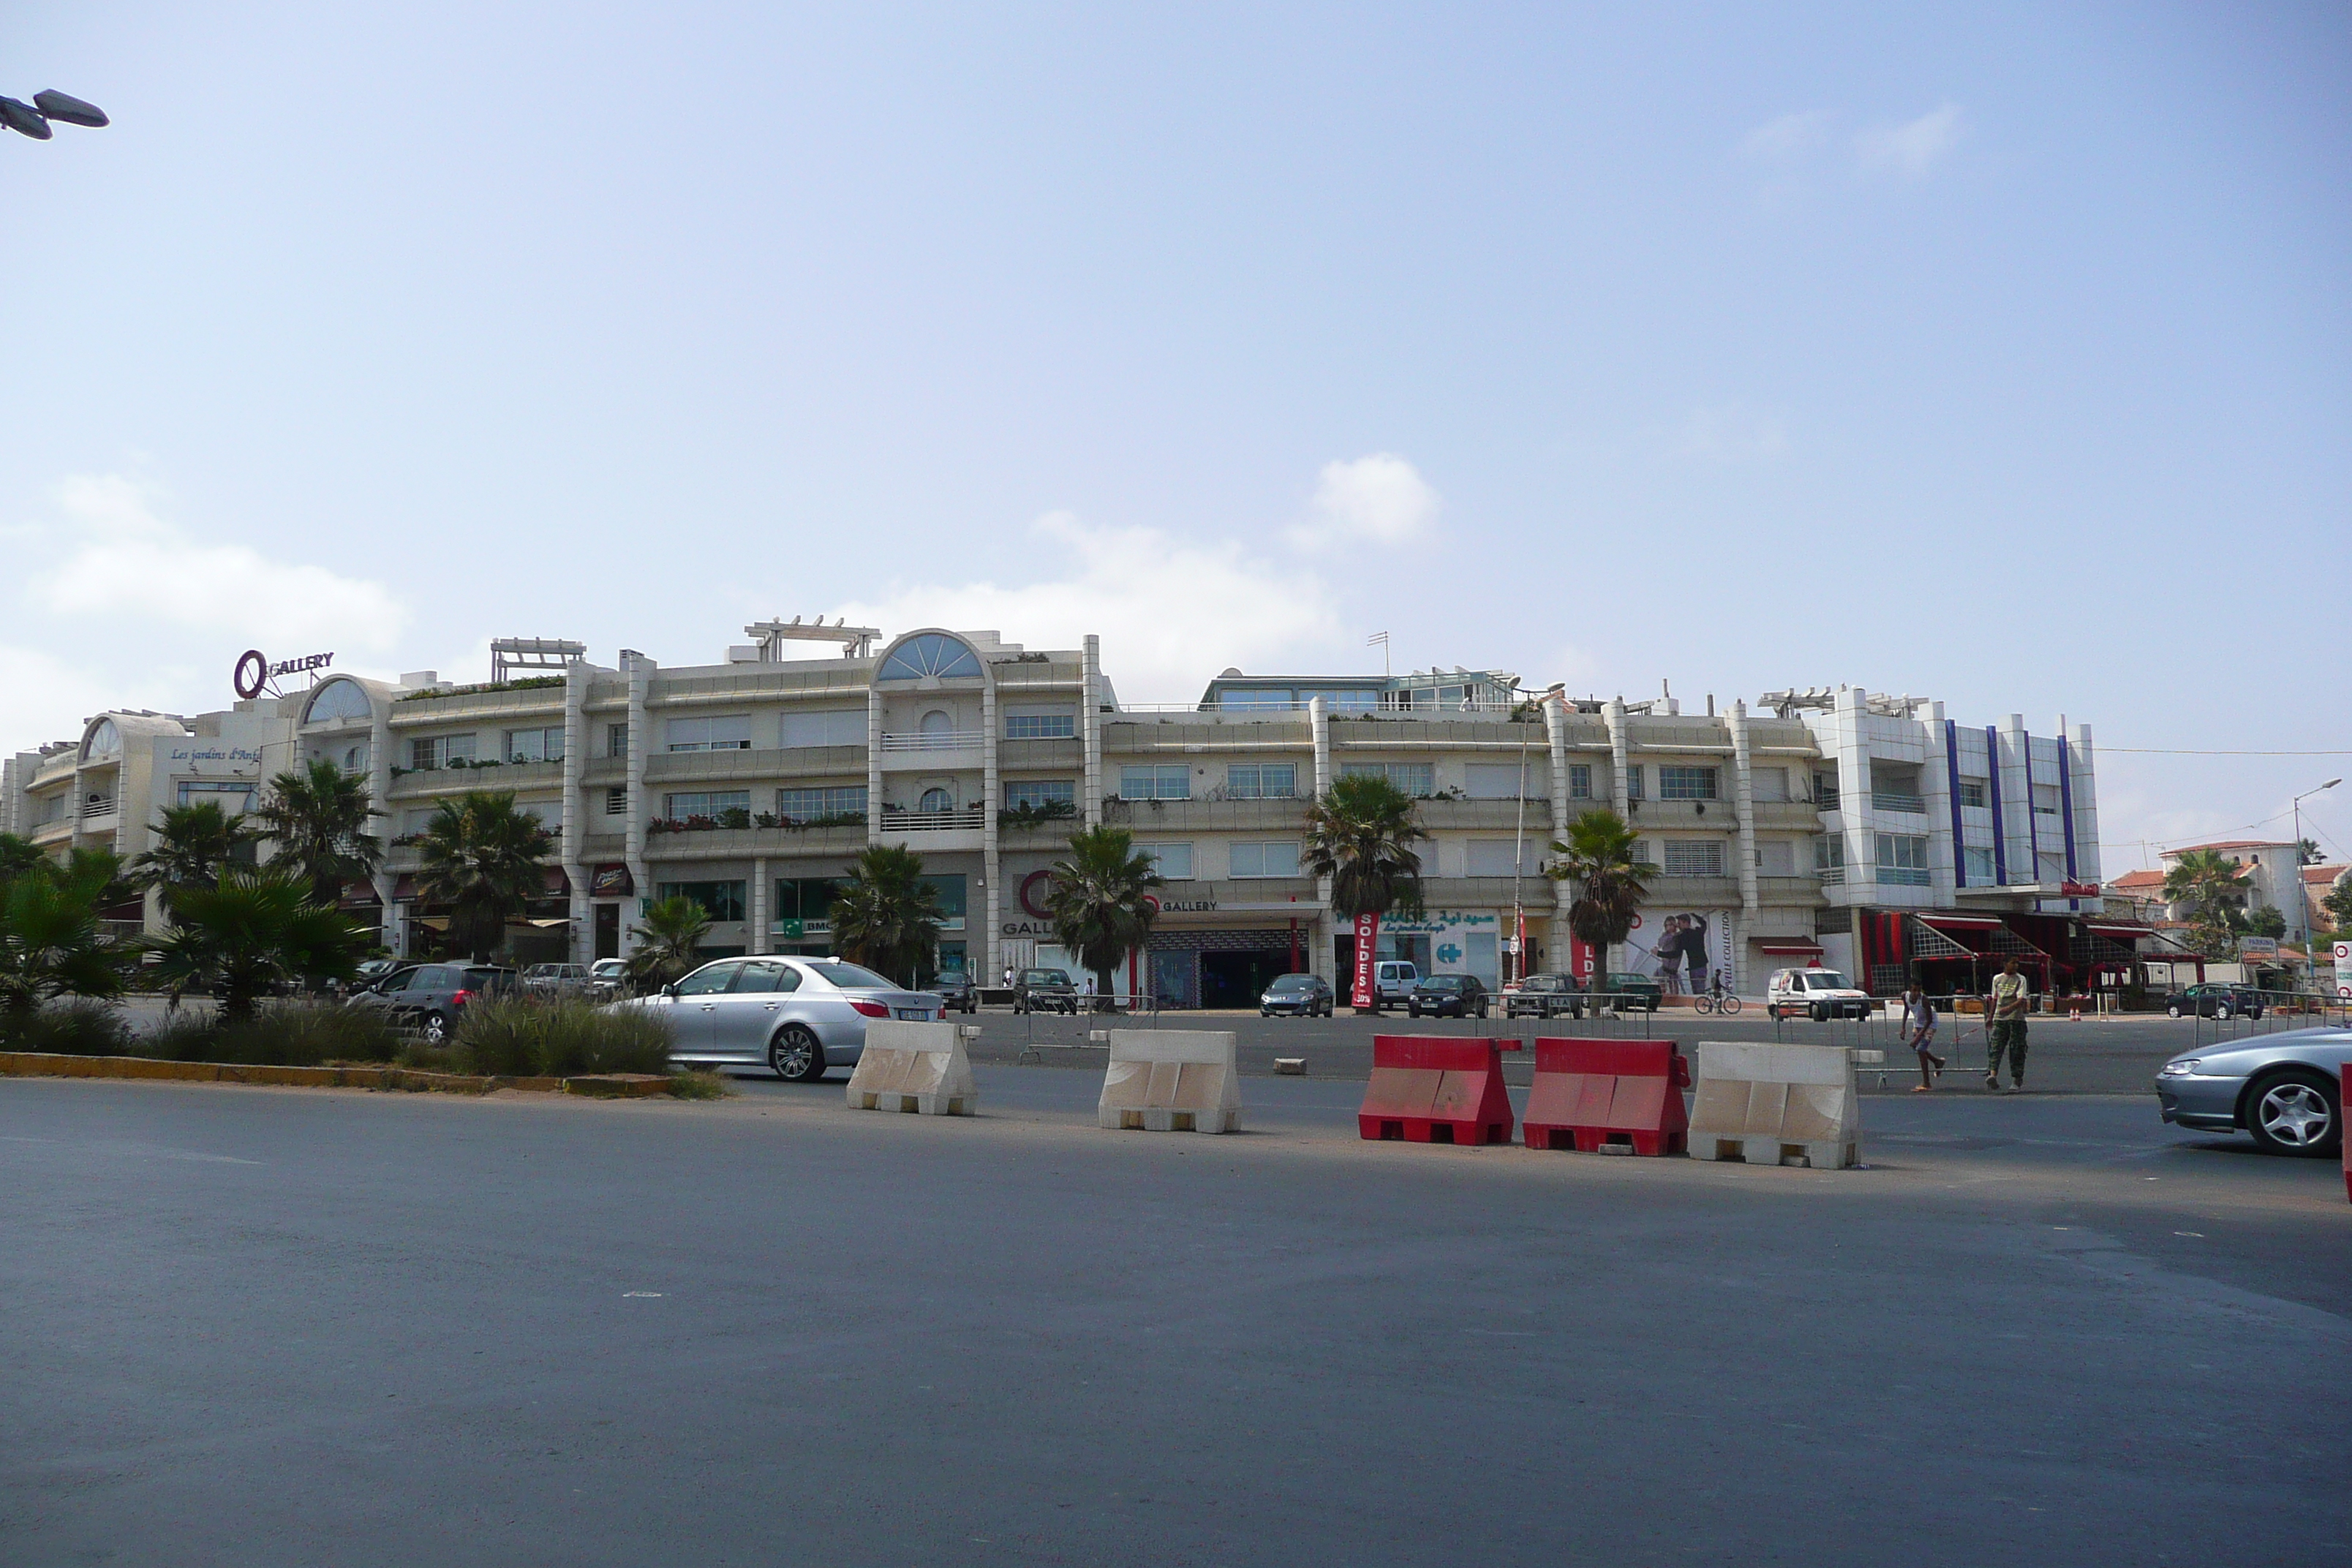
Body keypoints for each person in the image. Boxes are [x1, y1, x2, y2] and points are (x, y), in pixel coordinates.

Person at [1985, 960, 2031, 1090]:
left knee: (2016, 1049)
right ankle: (1993, 1075)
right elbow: (1995, 999)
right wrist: (1990, 1017)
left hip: (2016, 1019)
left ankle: (2016, 1080)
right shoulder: (1997, 979)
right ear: (2005, 964)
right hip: (2000, 1019)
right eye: (2013, 962)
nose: (2016, 965)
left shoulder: (2021, 979)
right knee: (1995, 1047)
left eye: (2017, 963)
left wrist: (2009, 1009)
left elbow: (2021, 1000)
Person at [1902, 984, 1945, 1091]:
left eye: (1919, 990)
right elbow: (1907, 1009)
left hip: (1930, 1024)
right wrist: (1903, 1027)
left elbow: (1929, 1020)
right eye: (1914, 991)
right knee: (1915, 1047)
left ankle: (1927, 1083)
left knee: (1920, 1049)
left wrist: (1918, 1037)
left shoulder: (1924, 1000)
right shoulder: (1905, 996)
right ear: (1909, 990)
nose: (1917, 993)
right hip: (1918, 1023)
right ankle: (1937, 1061)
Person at [1678, 913, 1711, 998]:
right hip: (1702, 965)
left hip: (1694, 966)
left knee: (1697, 992)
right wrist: (1695, 916)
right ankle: (1703, 1006)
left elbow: (1677, 952)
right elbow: (1704, 924)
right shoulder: (1698, 932)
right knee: (1700, 991)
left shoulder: (1683, 936)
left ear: (1685, 923)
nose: (1678, 926)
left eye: (1680, 924)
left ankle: (1701, 1007)